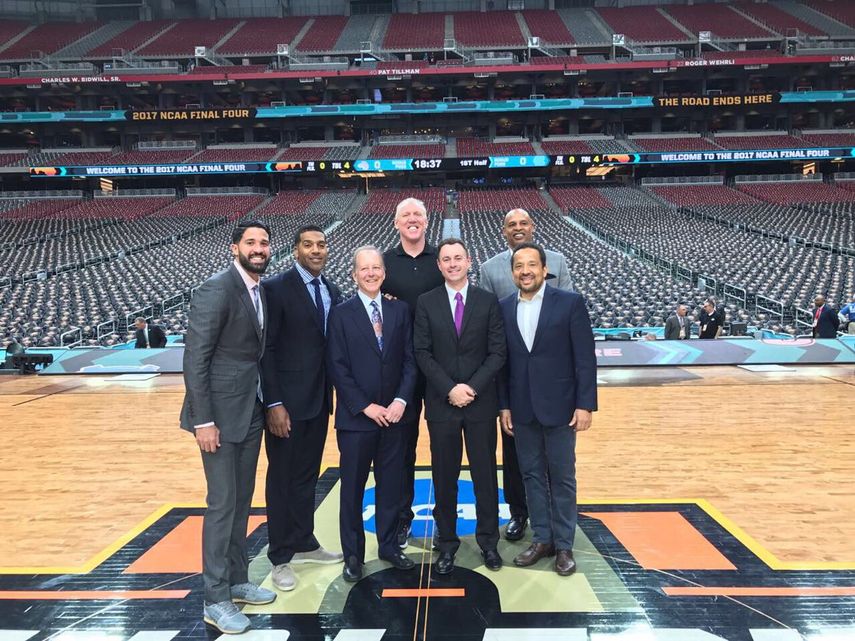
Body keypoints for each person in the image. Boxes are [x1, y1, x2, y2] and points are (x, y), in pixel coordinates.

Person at [179, 220, 277, 635]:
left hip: (248, 410)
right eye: (250, 242)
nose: (258, 248)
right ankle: (215, 598)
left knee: (241, 501)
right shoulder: (217, 288)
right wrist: (204, 420)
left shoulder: (258, 290)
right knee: (221, 505)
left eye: (264, 243)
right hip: (217, 417)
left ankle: (237, 579)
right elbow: (195, 359)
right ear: (234, 247)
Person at [498, 242, 597, 577]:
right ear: (512, 273)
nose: (525, 271)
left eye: (531, 265)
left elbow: (585, 359)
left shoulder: (569, 303)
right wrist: (504, 406)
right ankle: (542, 539)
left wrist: (585, 404)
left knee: (562, 477)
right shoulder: (504, 307)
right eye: (519, 266)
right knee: (531, 476)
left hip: (561, 408)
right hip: (522, 410)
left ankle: (564, 544)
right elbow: (504, 364)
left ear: (544, 270)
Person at [478, 207, 574, 542]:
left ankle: (554, 525)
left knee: (558, 463)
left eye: (523, 223)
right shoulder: (490, 269)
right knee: (517, 457)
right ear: (503, 232)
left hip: (553, 384)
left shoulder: (558, 263)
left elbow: (569, 313)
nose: (518, 228)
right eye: (511, 225)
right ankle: (519, 513)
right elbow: (488, 326)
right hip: (515, 383)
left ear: (532, 227)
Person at [414, 238, 506, 575]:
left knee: (484, 477)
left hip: (480, 404)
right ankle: (448, 543)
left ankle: (488, 543)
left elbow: (497, 352)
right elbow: (421, 352)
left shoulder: (487, 301)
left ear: (469, 261)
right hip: (442, 404)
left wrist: (471, 387)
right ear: (438, 265)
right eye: (446, 259)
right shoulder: (426, 302)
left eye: (458, 258)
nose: (452, 264)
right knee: (444, 477)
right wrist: (449, 388)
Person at [326, 246, 419, 583]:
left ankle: (390, 546)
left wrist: (400, 401)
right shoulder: (340, 314)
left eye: (376, 267)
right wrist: (365, 406)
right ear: (354, 274)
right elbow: (336, 366)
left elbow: (411, 361)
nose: (371, 273)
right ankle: (353, 555)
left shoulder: (400, 311)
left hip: (395, 417)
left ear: (384, 272)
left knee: (391, 487)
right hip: (356, 420)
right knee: (352, 489)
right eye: (364, 268)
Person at [260, 225, 344, 593]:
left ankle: (304, 541)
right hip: (287, 405)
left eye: (321, 245)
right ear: (295, 250)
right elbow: (267, 350)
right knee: (282, 479)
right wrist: (274, 402)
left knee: (307, 477)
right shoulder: (275, 288)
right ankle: (280, 556)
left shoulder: (331, 290)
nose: (315, 250)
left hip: (318, 401)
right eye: (308, 245)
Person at [381, 197, 444, 548]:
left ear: (427, 220)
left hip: (438, 369)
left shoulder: (442, 260)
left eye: (418, 213)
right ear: (396, 223)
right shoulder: (385, 264)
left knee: (442, 449)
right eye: (405, 214)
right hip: (399, 371)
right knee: (402, 450)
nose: (412, 219)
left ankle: (442, 521)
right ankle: (402, 520)